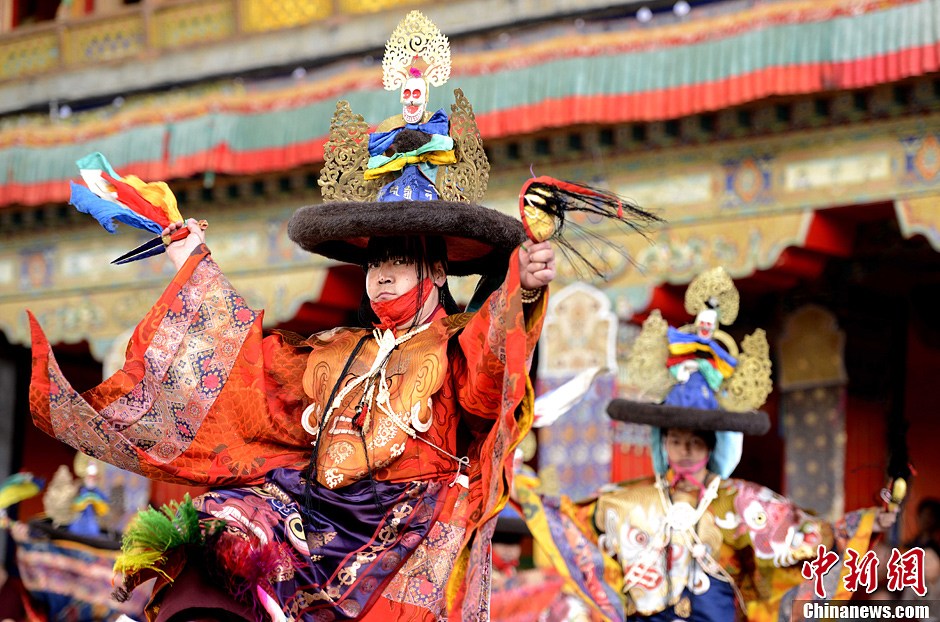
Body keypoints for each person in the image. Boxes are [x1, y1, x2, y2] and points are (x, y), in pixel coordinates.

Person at [25, 11, 572, 622]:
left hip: (407, 527)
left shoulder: (454, 345)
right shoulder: (338, 350)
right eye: (374, 263)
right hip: (315, 510)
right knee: (222, 525)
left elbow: (487, 387)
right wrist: (190, 258)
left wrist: (518, 292)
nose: (382, 275)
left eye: (400, 260)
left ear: (438, 272)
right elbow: (247, 369)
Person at [513, 268, 896, 622]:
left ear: (713, 447)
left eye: (696, 443)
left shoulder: (743, 502)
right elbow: (568, 518)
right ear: (662, 442)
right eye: (676, 440)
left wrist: (866, 523)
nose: (685, 451)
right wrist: (515, 478)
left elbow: (812, 537)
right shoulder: (626, 500)